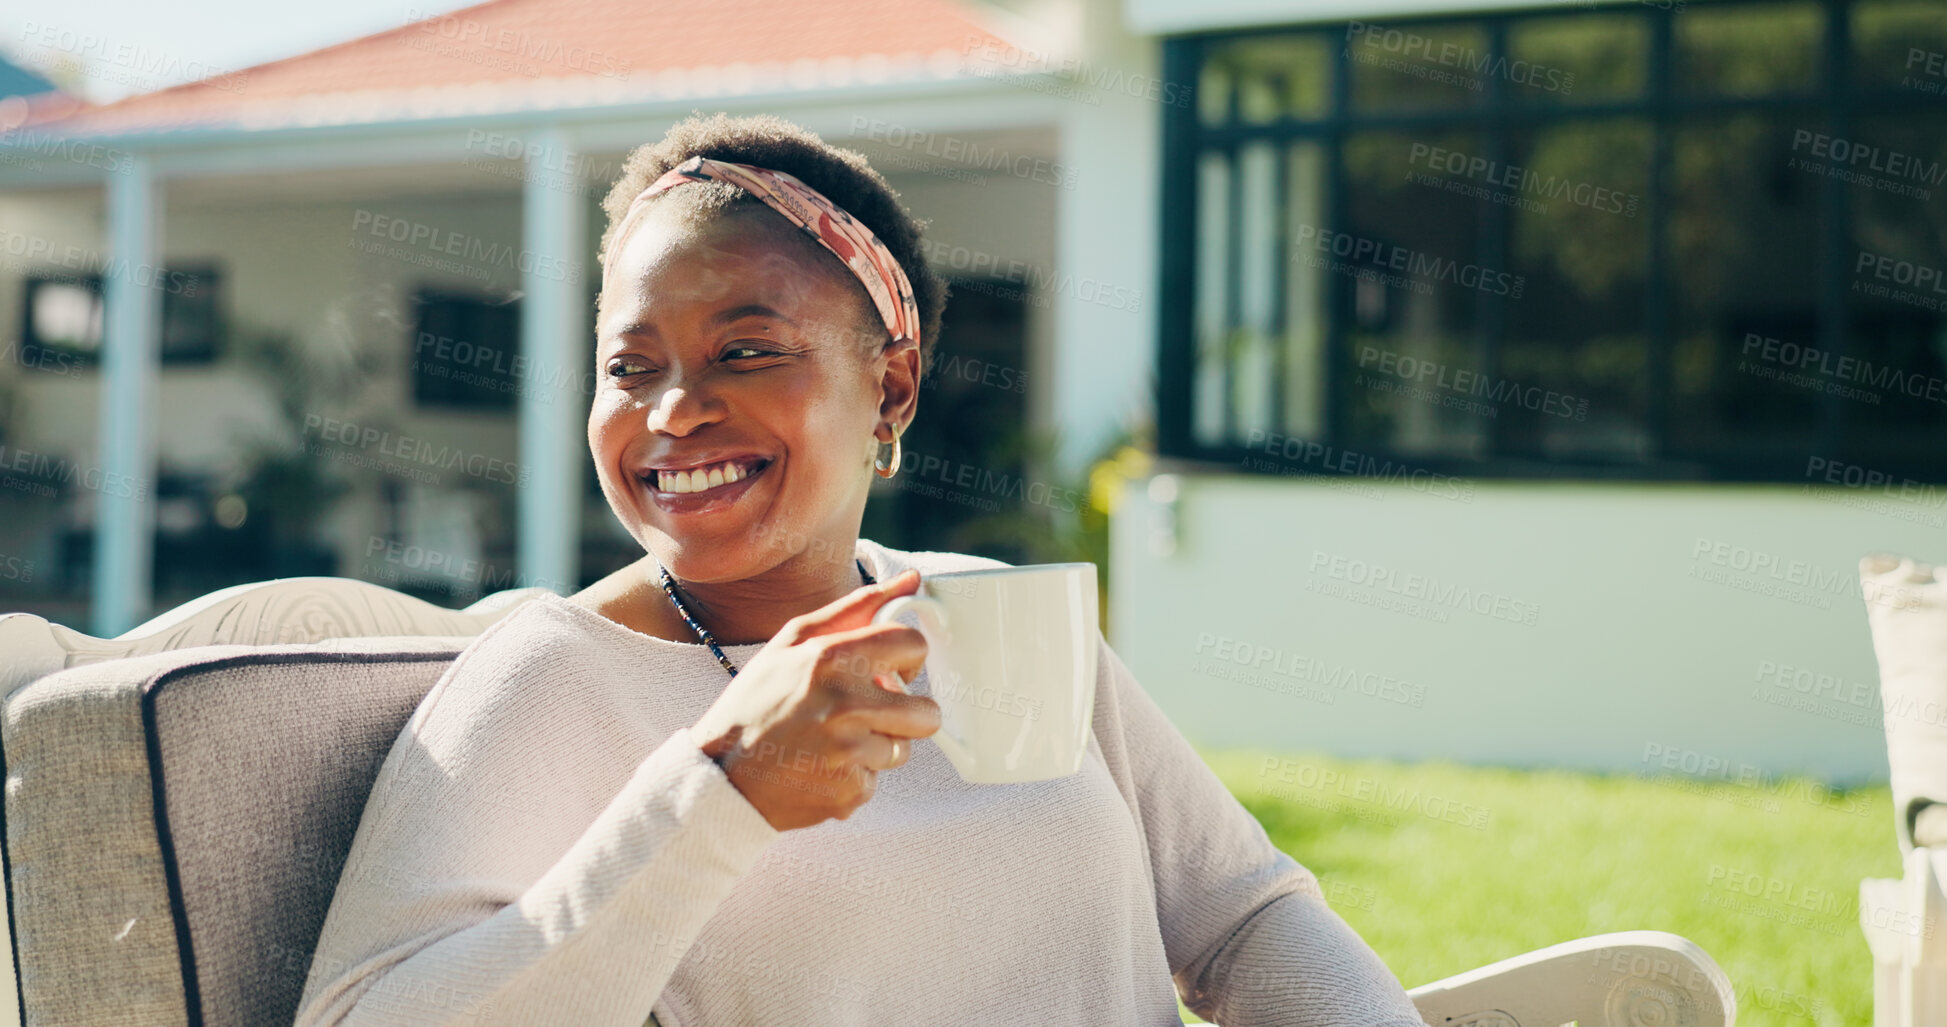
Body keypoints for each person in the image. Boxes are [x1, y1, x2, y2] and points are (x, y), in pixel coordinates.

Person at [293, 113, 1425, 1027]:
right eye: (629, 366)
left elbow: (1242, 916)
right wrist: (719, 791)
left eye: (747, 351)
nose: (673, 413)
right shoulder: (553, 678)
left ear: (890, 388)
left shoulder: (991, 613)